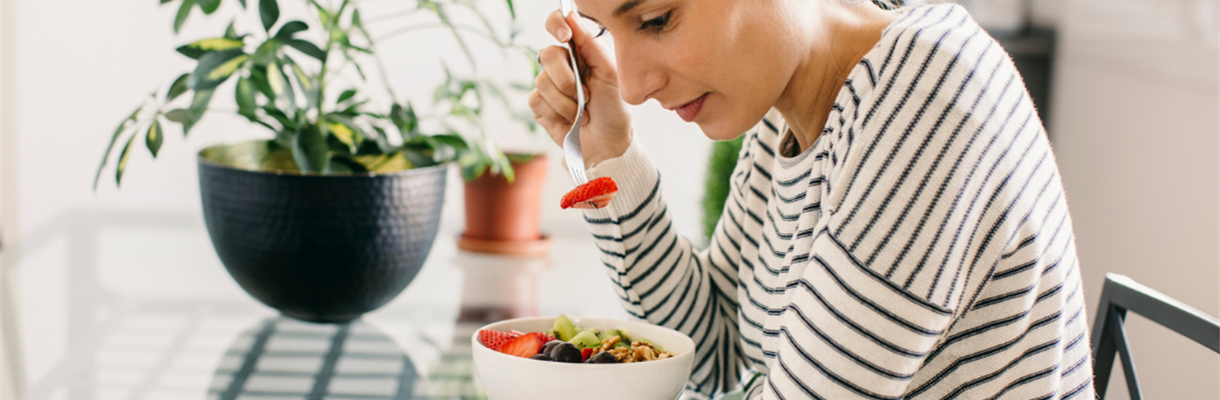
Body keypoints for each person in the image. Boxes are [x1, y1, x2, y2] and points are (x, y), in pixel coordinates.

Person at [528, 0, 1094, 398]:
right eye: (604, 31)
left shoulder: (927, 98)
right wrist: (610, 154)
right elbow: (717, 348)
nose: (631, 86)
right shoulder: (790, 115)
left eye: (655, 19)